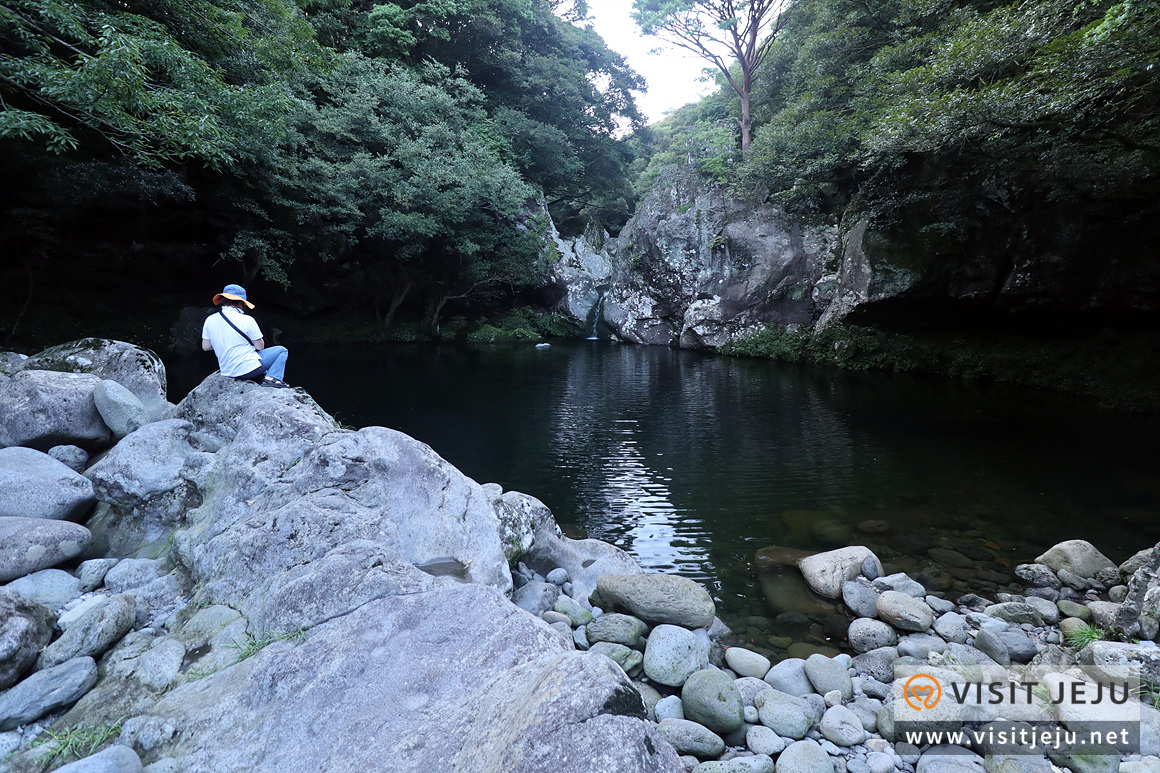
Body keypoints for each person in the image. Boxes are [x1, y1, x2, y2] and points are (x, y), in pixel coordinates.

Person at [201, 284, 290, 386]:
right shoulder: (247, 320)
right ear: (241, 303)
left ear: (222, 300)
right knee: (282, 350)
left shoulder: (210, 319)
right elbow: (260, 347)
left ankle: (265, 376)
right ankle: (273, 379)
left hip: (227, 370)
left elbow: (206, 347)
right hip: (246, 369)